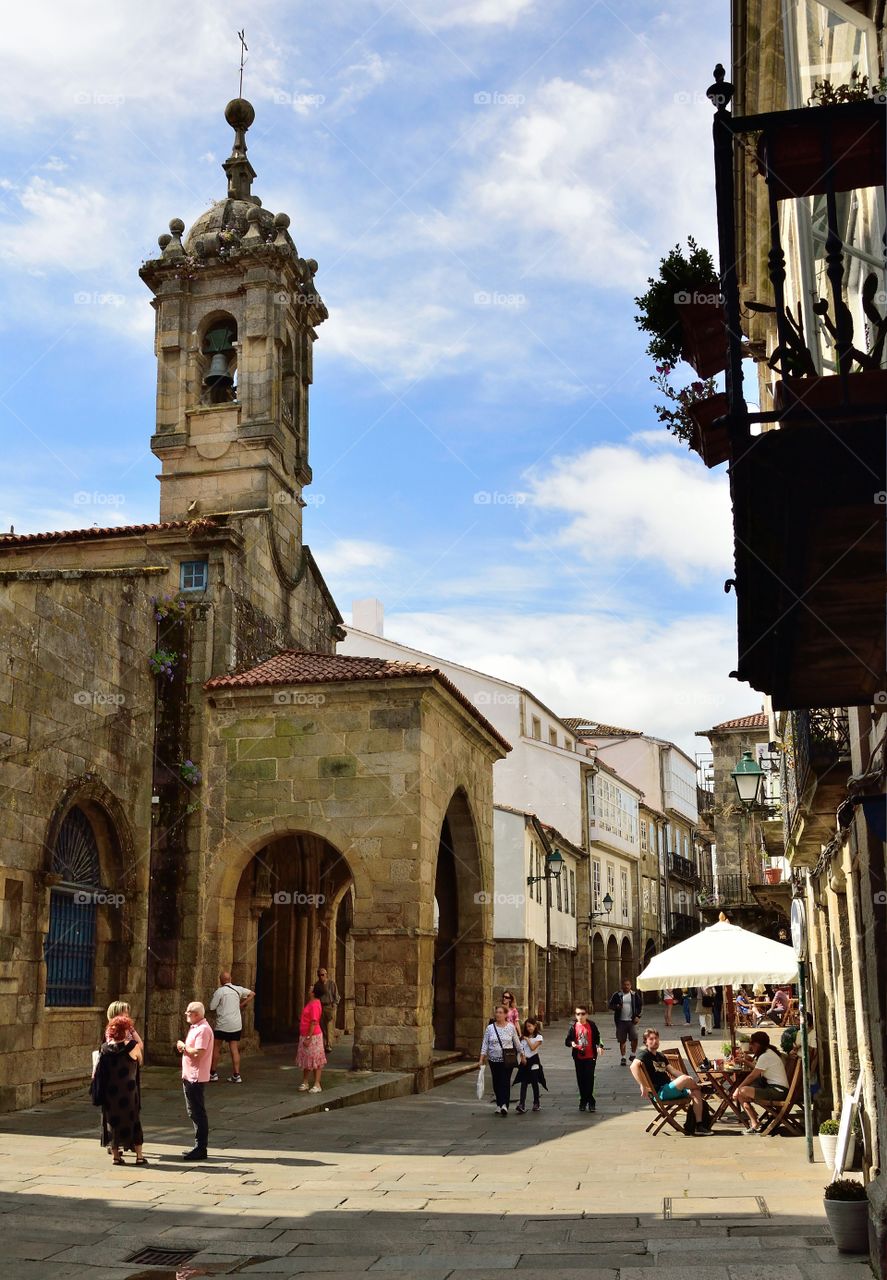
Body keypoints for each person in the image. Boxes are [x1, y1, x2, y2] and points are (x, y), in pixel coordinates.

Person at [632, 1027, 712, 1136]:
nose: (654, 1041)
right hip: (660, 1092)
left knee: (695, 1091)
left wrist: (688, 1079)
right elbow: (633, 1066)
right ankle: (700, 1087)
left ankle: (699, 1125)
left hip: (669, 1087)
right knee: (690, 1083)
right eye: (651, 1039)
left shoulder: (660, 1056)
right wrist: (642, 1085)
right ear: (645, 1042)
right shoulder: (644, 1054)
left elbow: (673, 1071)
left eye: (656, 1038)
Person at [96, 1014, 146, 1165]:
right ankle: (139, 1156)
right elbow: (140, 1062)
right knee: (133, 1120)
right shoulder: (133, 1047)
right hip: (129, 1091)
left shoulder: (104, 1049)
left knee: (112, 1121)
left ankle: (116, 1156)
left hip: (110, 1091)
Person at [732, 1030, 790, 1133]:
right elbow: (758, 1068)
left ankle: (754, 1122)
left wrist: (737, 1089)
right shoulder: (769, 1052)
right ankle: (754, 1122)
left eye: (752, 1046)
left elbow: (752, 1075)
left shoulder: (765, 1056)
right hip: (778, 1089)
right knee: (743, 1093)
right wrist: (746, 1061)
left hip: (777, 1091)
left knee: (742, 1091)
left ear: (757, 1044)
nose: (752, 1048)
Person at [177, 1000, 214, 1160]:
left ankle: (201, 1147)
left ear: (197, 1014)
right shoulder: (196, 1028)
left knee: (197, 1112)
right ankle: (198, 1145)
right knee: (193, 1111)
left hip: (196, 1076)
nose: (186, 1014)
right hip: (190, 1074)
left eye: (188, 1012)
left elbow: (198, 1052)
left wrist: (184, 1047)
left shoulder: (203, 1030)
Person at [479, 1004, 525, 1116]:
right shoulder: (490, 1028)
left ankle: (504, 1105)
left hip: (507, 1060)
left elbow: (516, 1042)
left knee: (505, 1081)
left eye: (500, 1012)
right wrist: (481, 1058)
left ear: (505, 1015)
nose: (498, 1014)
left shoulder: (510, 1027)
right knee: (496, 1082)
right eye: (497, 1012)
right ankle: (499, 1104)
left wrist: (522, 1054)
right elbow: (485, 1043)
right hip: (494, 1060)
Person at [208, 969, 254, 1083]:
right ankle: (236, 1075)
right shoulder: (238, 989)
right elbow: (252, 993)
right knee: (234, 1048)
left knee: (216, 1047)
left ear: (220, 981)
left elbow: (212, 1007)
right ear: (230, 979)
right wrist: (241, 1004)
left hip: (222, 1024)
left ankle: (213, 1073)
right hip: (235, 1025)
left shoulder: (220, 992)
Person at [564, 1005, 601, 1112]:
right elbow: (567, 1041)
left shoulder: (592, 1025)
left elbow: (597, 1037)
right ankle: (583, 1101)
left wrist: (599, 1047)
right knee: (581, 1080)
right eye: (578, 1014)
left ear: (587, 1015)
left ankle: (591, 1102)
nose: (580, 1016)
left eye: (583, 1014)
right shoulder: (573, 1026)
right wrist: (572, 1044)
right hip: (578, 1057)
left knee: (589, 1079)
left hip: (590, 1056)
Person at [296, 989, 327, 1092]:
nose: (308, 990)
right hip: (305, 1034)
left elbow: (314, 1021)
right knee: (307, 1059)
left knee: (316, 1059)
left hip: (313, 1036)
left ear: (313, 992)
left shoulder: (315, 1004)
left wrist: (309, 1037)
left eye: (311, 989)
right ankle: (305, 1082)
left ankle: (317, 1084)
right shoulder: (311, 1002)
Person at [514, 1017, 547, 1113]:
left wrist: (527, 1039)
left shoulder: (538, 1037)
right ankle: (522, 1104)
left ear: (535, 1026)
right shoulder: (523, 1037)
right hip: (525, 1061)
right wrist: (522, 1057)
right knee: (523, 1083)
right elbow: (521, 1049)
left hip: (534, 1061)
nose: (529, 1028)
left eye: (530, 1026)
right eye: (527, 1027)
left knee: (534, 1082)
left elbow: (533, 1048)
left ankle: (536, 1103)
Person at [608, 978, 642, 1065]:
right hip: (621, 1021)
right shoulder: (617, 995)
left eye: (628, 985)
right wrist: (617, 1006)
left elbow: (640, 1006)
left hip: (632, 1021)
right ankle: (623, 1057)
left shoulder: (634, 995)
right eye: (625, 985)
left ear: (630, 986)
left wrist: (638, 1016)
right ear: (622, 986)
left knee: (634, 1038)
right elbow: (610, 1005)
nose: (626, 986)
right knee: (622, 1040)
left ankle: (633, 1054)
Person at [313, 967, 340, 1053]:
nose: (321, 977)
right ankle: (324, 1043)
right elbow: (315, 996)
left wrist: (334, 1005)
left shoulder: (332, 983)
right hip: (320, 1007)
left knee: (329, 1026)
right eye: (319, 975)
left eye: (323, 975)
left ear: (326, 975)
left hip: (329, 1006)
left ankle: (329, 1044)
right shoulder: (317, 985)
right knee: (322, 1026)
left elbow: (336, 995)